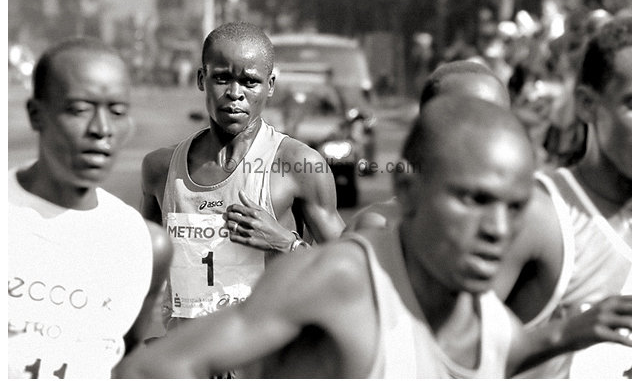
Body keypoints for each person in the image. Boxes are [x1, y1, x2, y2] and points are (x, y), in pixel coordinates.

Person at [115, 96, 631, 379]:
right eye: (471, 199)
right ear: (408, 188)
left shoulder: (478, 306)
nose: (497, 228)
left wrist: (576, 331)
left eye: (515, 207)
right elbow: (153, 369)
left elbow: (502, 354)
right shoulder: (346, 278)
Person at [140, 22, 344, 328]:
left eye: (250, 82)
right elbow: (146, 274)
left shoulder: (298, 165)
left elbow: (353, 273)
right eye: (222, 78)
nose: (235, 94)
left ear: (271, 85)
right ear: (201, 79)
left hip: (265, 367)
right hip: (187, 366)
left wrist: (285, 244)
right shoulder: (161, 169)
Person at [8, 37, 172, 379]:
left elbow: (120, 360)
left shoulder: (144, 245)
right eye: (80, 109)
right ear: (36, 115)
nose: (101, 130)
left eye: (117, 111)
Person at [493, 15, 632, 378]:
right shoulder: (540, 216)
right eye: (633, 103)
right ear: (587, 105)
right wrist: (564, 335)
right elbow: (448, 356)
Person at [347, 59, 510, 232]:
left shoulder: (534, 226)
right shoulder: (378, 229)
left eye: (496, 120)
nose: (483, 135)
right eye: (462, 120)